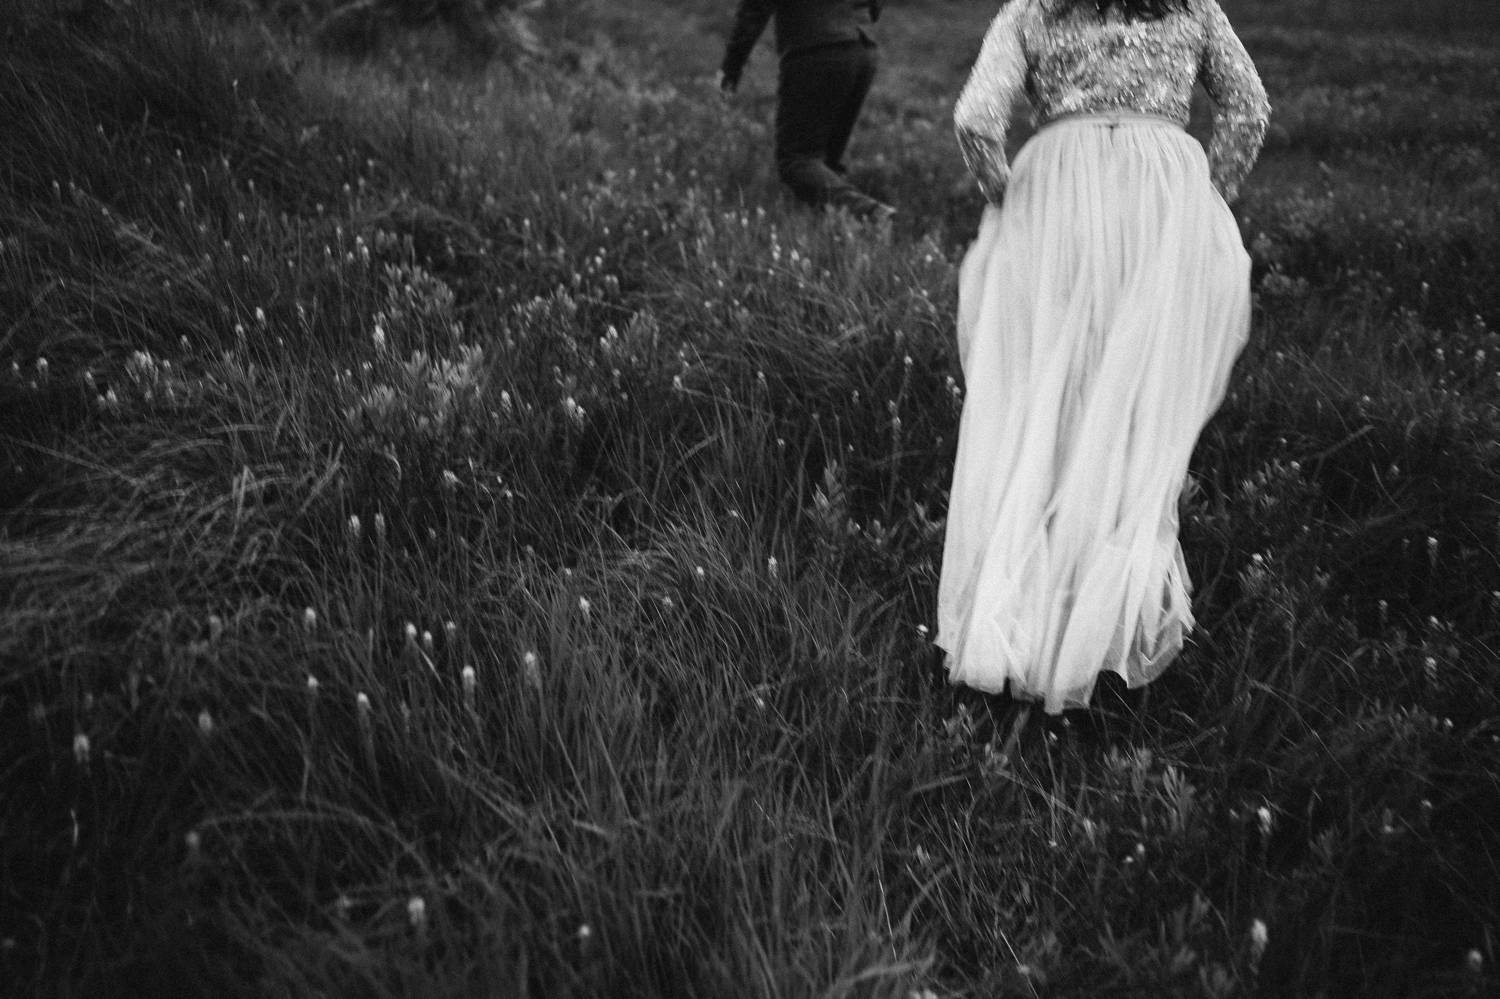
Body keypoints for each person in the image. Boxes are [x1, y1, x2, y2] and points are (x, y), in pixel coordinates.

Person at [934, 0, 1269, 717]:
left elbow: (975, 119)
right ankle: (1106, 606)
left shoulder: (1031, 10)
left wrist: (1011, 198)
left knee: (1047, 391)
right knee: (1133, 401)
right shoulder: (1194, 7)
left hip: (1058, 184)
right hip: (1162, 187)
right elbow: (1248, 109)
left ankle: (1024, 605)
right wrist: (1207, 198)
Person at [719, 0, 895, 220]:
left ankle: (873, 215)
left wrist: (730, 72)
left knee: (797, 161)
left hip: (815, 50)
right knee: (824, 167)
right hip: (861, 49)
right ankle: (833, 243)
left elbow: (754, 8)